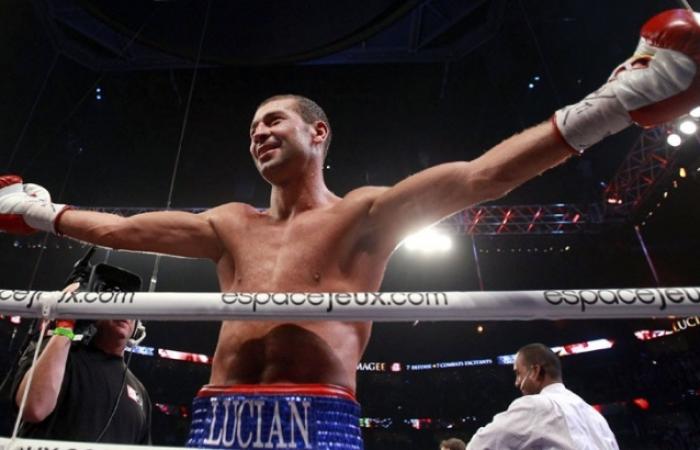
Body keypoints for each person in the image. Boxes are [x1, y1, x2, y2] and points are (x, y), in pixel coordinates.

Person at [1, 8, 698, 449]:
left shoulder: (364, 215)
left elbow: (481, 177)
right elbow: (124, 231)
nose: (259, 133)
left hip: (320, 415)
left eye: (274, 120)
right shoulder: (229, 224)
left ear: (319, 132)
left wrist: (616, 105)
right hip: (219, 414)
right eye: (252, 128)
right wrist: (39, 210)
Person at [11, 283, 152, 444]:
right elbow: (34, 408)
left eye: (131, 307)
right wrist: (66, 323)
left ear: (137, 327)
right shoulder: (59, 354)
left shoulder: (141, 392)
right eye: (118, 303)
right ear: (94, 315)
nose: (125, 312)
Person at [466, 343, 618, 449]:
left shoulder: (536, 405)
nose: (517, 383)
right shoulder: (595, 416)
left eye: (518, 373)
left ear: (535, 371)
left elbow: (481, 444)